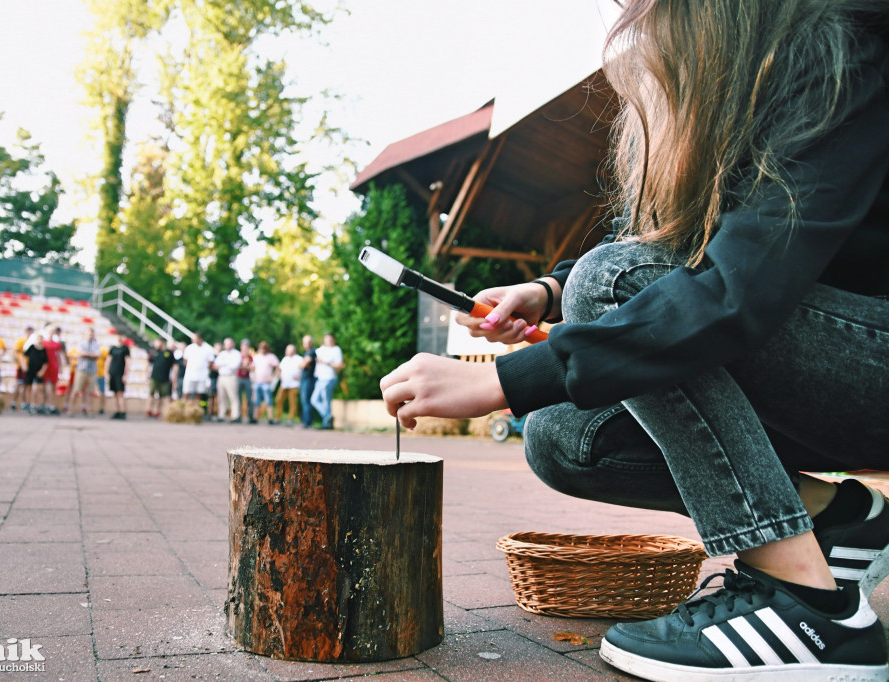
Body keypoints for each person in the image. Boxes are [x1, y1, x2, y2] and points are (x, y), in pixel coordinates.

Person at [380, 2, 889, 679]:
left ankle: (810, 608)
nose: (631, 14)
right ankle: (844, 517)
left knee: (614, 283)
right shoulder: (723, 77)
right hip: (822, 370)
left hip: (871, 359)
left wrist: (502, 381)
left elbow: (733, 290)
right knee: (562, 434)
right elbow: (664, 246)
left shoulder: (844, 50)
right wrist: (550, 292)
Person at [310, 333, 343, 430]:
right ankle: (328, 417)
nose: (329, 341)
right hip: (320, 378)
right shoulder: (320, 350)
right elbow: (312, 353)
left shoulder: (336, 350)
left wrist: (326, 363)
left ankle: (327, 424)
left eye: (330, 339)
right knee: (314, 400)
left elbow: (339, 365)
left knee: (326, 401)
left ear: (334, 340)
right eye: (327, 339)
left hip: (329, 378)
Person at [68, 327, 100, 417]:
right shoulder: (81, 343)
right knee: (76, 390)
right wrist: (91, 355)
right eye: (89, 334)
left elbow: (97, 355)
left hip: (92, 370)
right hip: (82, 369)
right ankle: (71, 409)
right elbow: (81, 353)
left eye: (92, 334)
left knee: (90, 392)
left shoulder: (96, 344)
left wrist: (87, 354)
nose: (90, 335)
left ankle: (89, 410)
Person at [182, 333, 215, 420]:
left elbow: (211, 362)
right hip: (190, 375)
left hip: (202, 376)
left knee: (199, 395)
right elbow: (185, 361)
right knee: (186, 393)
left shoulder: (207, 349)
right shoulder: (189, 348)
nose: (192, 340)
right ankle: (184, 411)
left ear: (200, 338)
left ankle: (195, 412)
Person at [251, 341, 280, 424]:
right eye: (260, 348)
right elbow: (253, 367)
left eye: (263, 348)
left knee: (268, 401)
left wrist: (272, 377)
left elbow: (277, 367)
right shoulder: (256, 357)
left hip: (266, 383)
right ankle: (255, 417)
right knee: (256, 401)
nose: (262, 350)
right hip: (257, 381)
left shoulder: (271, 357)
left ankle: (270, 418)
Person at [147, 337, 177, 418]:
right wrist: (146, 374)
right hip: (154, 377)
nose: (155, 344)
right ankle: (149, 410)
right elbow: (148, 363)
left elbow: (174, 366)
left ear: (162, 342)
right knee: (151, 394)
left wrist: (173, 377)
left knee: (162, 396)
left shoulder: (169, 353)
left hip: (165, 378)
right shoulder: (154, 352)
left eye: (157, 342)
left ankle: (157, 411)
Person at [214, 337, 241, 422]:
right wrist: (226, 363)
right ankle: (221, 415)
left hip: (231, 377)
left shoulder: (237, 354)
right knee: (221, 396)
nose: (227, 345)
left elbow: (234, 366)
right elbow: (216, 364)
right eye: (226, 343)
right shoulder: (222, 353)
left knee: (233, 397)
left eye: (229, 343)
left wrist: (223, 364)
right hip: (222, 376)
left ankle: (235, 416)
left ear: (233, 344)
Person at [104, 335, 130, 420]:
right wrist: (106, 372)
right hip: (113, 373)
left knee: (120, 393)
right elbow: (108, 360)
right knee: (115, 393)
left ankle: (123, 410)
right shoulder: (113, 348)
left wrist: (125, 374)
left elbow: (127, 362)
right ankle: (117, 411)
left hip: (120, 373)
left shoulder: (125, 349)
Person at [276, 343, 302, 426]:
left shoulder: (299, 359)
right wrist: (280, 375)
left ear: (293, 351)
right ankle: (278, 417)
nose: (286, 352)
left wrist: (300, 376)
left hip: (294, 385)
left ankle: (290, 419)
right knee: (278, 400)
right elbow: (279, 368)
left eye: (288, 350)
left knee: (293, 403)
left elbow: (304, 370)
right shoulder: (285, 359)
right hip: (284, 384)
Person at [23, 334, 48, 413]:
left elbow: (45, 363)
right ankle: (28, 404)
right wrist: (24, 366)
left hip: (38, 371)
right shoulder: (32, 347)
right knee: (28, 387)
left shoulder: (43, 350)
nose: (40, 341)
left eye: (41, 339)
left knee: (39, 388)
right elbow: (24, 356)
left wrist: (42, 371)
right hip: (30, 370)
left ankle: (39, 405)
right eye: (39, 339)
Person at [11, 326, 35, 411]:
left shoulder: (32, 342)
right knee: (19, 384)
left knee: (27, 386)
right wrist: (20, 364)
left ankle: (24, 403)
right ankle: (14, 402)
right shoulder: (21, 341)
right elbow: (15, 353)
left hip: (29, 367)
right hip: (21, 367)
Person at [299, 335, 317, 428]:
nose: (306, 344)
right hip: (304, 378)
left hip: (309, 379)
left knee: (306, 400)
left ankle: (307, 422)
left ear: (311, 342)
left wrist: (303, 364)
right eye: (304, 342)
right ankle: (305, 420)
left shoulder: (312, 352)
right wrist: (303, 364)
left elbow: (303, 365)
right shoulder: (306, 353)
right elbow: (302, 365)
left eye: (308, 342)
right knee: (304, 400)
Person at [236, 338, 256, 424]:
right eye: (244, 346)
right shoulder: (238, 356)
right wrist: (246, 367)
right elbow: (236, 367)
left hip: (247, 379)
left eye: (246, 346)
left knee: (249, 398)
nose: (245, 348)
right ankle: (238, 416)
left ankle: (250, 416)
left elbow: (252, 368)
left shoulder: (251, 357)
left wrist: (244, 367)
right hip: (239, 378)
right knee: (238, 398)